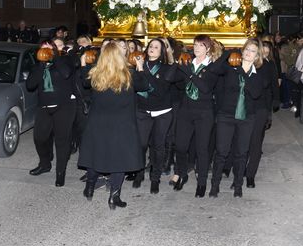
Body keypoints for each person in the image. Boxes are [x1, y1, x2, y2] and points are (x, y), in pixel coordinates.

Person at [78, 42, 148, 210]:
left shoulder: (95, 74)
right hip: (122, 125)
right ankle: (114, 196)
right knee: (120, 160)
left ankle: (89, 188)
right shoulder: (129, 75)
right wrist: (140, 67)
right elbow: (144, 86)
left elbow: (84, 83)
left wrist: (82, 64)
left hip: (98, 124)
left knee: (97, 155)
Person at [208, 39, 264, 198]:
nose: (248, 52)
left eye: (252, 51)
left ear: (257, 56)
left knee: (241, 152)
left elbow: (255, 93)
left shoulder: (257, 75)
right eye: (246, 49)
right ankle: (215, 185)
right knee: (221, 152)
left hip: (246, 118)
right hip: (226, 115)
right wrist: (227, 53)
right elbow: (213, 69)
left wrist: (242, 72)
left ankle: (238, 185)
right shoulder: (229, 68)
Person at [171, 34, 219, 197]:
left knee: (202, 149)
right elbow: (171, 80)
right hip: (186, 111)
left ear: (208, 48)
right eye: (195, 45)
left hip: (204, 112)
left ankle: (202, 182)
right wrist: (174, 64)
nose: (197, 48)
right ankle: (182, 174)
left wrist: (190, 73)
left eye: (201, 45)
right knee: (180, 146)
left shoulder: (212, 66)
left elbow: (206, 88)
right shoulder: (187, 63)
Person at [26, 40, 77, 187]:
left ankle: (60, 173)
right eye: (43, 48)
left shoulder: (64, 60)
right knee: (39, 138)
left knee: (62, 141)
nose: (46, 50)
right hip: (44, 106)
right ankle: (45, 163)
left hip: (64, 106)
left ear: (54, 50)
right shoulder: (37, 66)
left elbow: (66, 73)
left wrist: (54, 57)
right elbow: (30, 85)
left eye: (49, 48)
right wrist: (42, 65)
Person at [131, 38, 174, 193]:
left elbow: (159, 89)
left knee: (158, 146)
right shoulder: (138, 65)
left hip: (162, 111)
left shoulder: (167, 68)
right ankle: (140, 172)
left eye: (156, 47)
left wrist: (142, 70)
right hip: (143, 110)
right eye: (150, 46)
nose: (152, 48)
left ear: (161, 51)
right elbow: (139, 86)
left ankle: (155, 178)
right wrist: (140, 70)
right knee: (141, 144)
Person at [245, 40, 279, 189]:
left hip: (261, 106)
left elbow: (273, 84)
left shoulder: (268, 65)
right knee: (242, 141)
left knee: (256, 141)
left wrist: (276, 101)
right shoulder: (241, 64)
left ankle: (250, 175)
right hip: (244, 107)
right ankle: (238, 170)